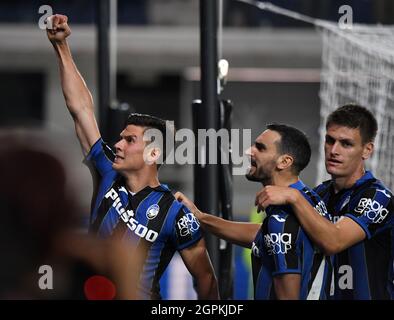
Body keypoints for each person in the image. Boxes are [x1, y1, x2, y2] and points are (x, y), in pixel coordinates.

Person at [46, 14, 219, 300]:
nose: (118, 144)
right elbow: (80, 109)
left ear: (154, 152)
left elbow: (206, 278)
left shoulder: (176, 213)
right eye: (121, 138)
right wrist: (61, 46)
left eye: (129, 140)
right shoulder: (106, 171)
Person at [176, 124, 332, 300]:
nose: (249, 151)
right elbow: (260, 234)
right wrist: (200, 217)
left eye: (260, 147)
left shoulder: (281, 221)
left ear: (284, 161)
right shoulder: (309, 199)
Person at [255, 104, 394, 300]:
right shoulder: (322, 193)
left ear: (367, 150)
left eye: (346, 144)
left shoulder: (378, 197)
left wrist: (293, 196)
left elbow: (333, 241)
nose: (334, 150)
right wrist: (204, 219)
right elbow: (284, 233)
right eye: (330, 141)